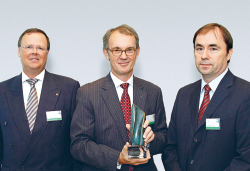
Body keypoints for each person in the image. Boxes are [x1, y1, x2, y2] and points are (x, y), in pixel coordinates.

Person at [70, 24, 167, 171]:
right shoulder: (88, 93)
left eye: (129, 50)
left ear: (137, 52)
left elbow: (164, 137)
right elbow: (79, 145)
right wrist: (117, 158)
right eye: (117, 50)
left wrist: (151, 139)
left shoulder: (153, 91)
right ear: (106, 53)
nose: (123, 56)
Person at [162, 23, 250, 171]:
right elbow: (170, 148)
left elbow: (246, 158)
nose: (204, 55)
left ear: (229, 53)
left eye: (213, 48)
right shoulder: (183, 94)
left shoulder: (245, 94)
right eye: (199, 48)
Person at [0, 28, 80, 170]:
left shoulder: (69, 88)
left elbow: (77, 142)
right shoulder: (2, 90)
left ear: (47, 53)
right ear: (19, 51)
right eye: (29, 47)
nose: (34, 52)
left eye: (40, 48)